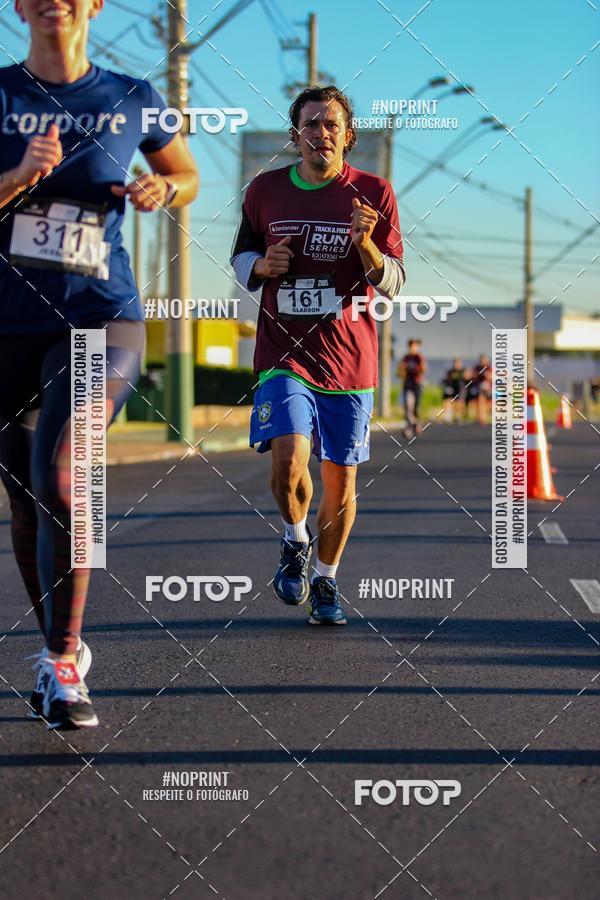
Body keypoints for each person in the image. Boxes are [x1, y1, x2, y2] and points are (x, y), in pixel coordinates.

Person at [0, 0, 198, 728]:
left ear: (93, 5)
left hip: (98, 313)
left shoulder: (130, 96)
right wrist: (18, 176)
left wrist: (162, 189)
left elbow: (185, 174)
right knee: (26, 496)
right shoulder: (1, 92)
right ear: (18, 5)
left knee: (64, 471)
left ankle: (61, 662)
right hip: (6, 323)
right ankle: (59, 648)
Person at [230, 85, 405, 625]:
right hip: (284, 352)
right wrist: (262, 267)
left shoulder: (375, 192)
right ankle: (293, 538)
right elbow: (241, 257)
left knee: (342, 482)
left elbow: (394, 281)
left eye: (331, 124)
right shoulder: (264, 191)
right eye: (310, 124)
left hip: (350, 360)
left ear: (347, 136)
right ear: (296, 135)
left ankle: (326, 581)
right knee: (288, 458)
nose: (320, 133)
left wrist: (366, 244)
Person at [398, 338, 426, 438]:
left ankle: (416, 423)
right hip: (408, 384)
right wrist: (403, 370)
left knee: (415, 407)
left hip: (417, 384)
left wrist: (415, 369)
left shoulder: (419, 357)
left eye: (414, 346)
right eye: (411, 346)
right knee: (408, 406)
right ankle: (409, 428)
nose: (412, 348)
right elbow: (400, 371)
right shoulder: (406, 357)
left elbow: (423, 369)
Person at [441, 358, 465, 423]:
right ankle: (448, 416)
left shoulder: (463, 371)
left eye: (458, 363)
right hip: (452, 388)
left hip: (460, 389)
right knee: (448, 400)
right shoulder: (451, 371)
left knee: (459, 403)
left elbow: (467, 378)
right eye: (455, 363)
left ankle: (458, 416)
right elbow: (446, 379)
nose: (457, 365)